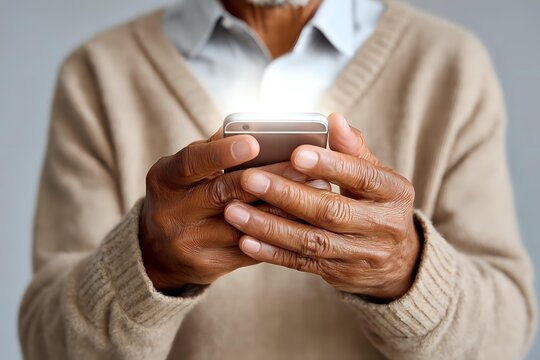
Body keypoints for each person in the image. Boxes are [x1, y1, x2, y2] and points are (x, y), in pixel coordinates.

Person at [19, 0, 536, 358]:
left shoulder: (450, 66)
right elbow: (47, 346)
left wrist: (405, 272)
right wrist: (147, 264)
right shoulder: (99, 75)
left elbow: (504, 337)